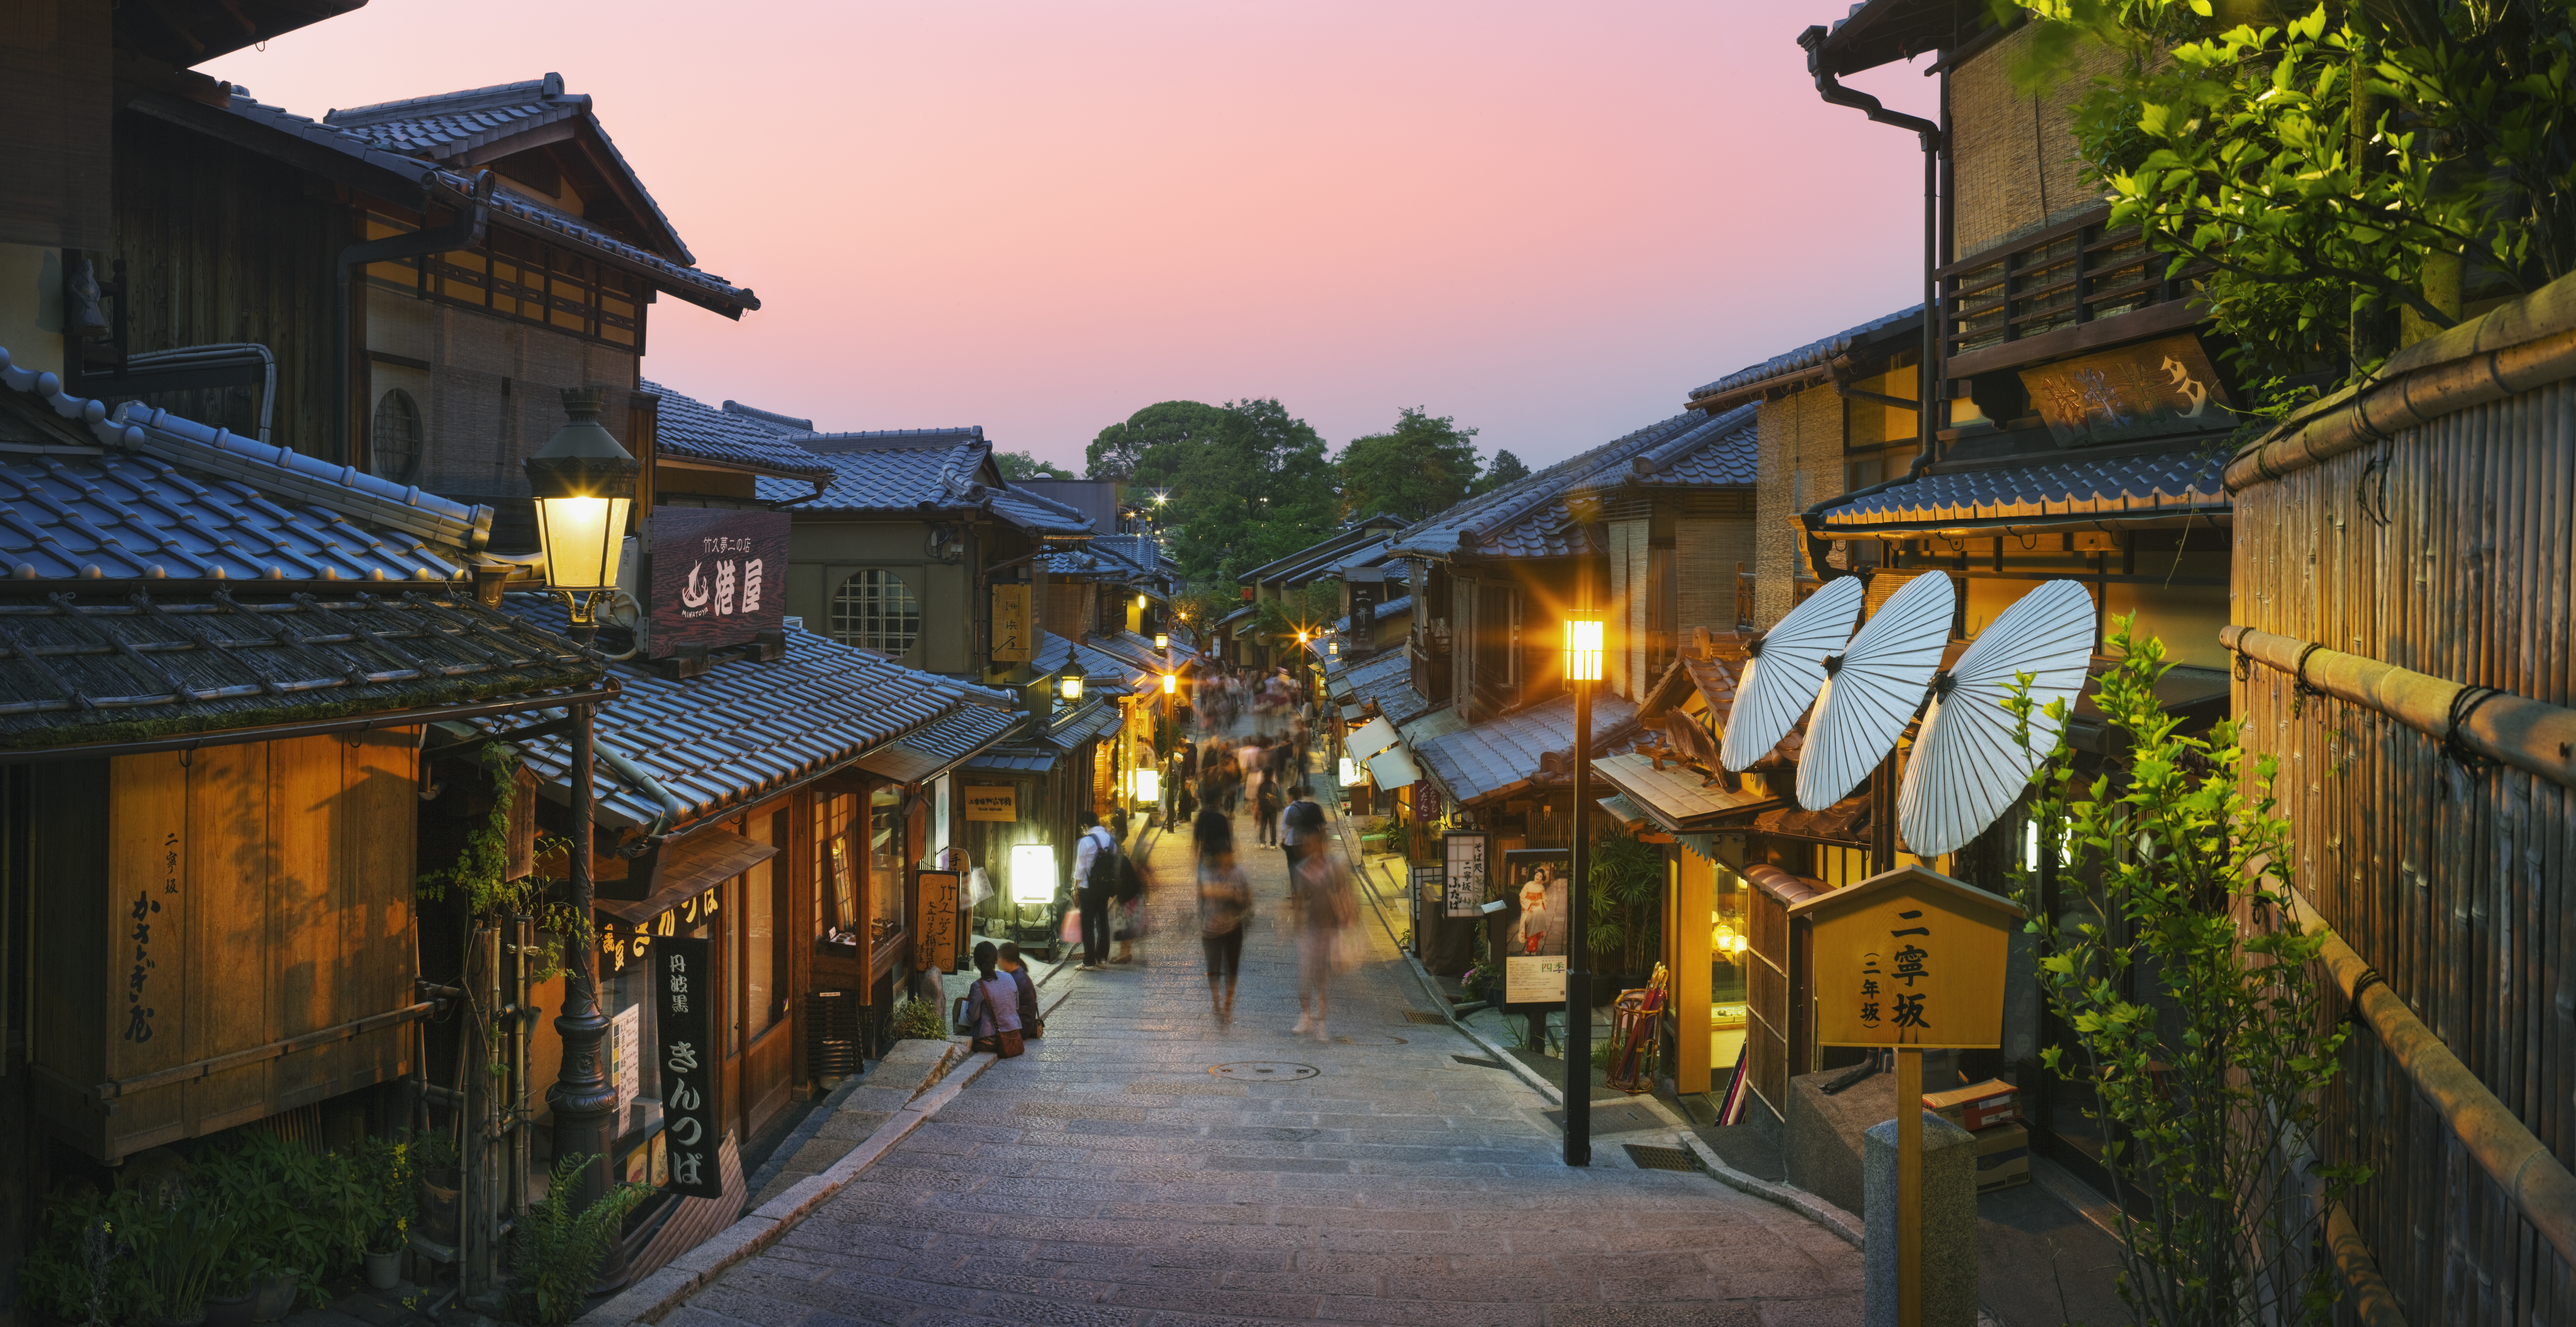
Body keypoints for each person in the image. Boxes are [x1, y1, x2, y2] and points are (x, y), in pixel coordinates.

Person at [1292, 847, 1355, 1042]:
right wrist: (1297, 923)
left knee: (1321, 978)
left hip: (1330, 929)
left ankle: (1321, 1023)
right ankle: (1306, 1017)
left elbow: (1345, 892)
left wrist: (1348, 918)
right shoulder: (1303, 869)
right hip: (1311, 930)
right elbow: (1299, 898)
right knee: (1306, 976)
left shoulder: (1334, 867)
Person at [1196, 817, 1252, 1028]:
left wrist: (1242, 902)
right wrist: (1232, 895)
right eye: (1228, 854)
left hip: (1234, 927)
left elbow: (1249, 895)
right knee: (1214, 968)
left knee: (1232, 968)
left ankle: (1227, 1006)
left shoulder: (1239, 872)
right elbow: (1208, 890)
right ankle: (1217, 1004)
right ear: (1220, 856)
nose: (1232, 857)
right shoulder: (1207, 872)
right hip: (1211, 928)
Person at [1070, 810, 1118, 969]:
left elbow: (1080, 869)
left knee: (1088, 924)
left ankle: (1089, 961)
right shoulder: (1111, 841)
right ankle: (1102, 958)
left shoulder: (1086, 842)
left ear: (1085, 826)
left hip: (1088, 887)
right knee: (1103, 921)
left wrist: (1075, 889)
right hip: (1105, 887)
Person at [961, 941, 1023, 1055]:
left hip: (991, 1041)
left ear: (975, 962)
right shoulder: (1009, 977)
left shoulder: (978, 986)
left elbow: (973, 1017)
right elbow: (1016, 1007)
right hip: (1014, 1035)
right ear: (997, 960)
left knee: (962, 1035)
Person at [997, 941, 1041, 1039]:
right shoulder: (1018, 975)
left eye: (999, 957)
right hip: (1025, 1024)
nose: (997, 961)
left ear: (1005, 960)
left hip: (1021, 1028)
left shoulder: (1016, 980)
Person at [1254, 773, 1284, 847]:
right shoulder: (1275, 786)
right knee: (1273, 826)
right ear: (1272, 777)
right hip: (1273, 809)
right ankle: (1273, 844)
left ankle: (1262, 843)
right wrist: (1282, 807)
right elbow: (1279, 797)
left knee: (1263, 826)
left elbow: (1258, 797)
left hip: (1263, 809)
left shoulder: (1261, 786)